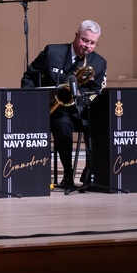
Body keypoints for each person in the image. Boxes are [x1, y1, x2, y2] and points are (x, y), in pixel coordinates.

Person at [21, 20, 107, 190]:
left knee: (102, 124)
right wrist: (32, 102)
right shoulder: (53, 52)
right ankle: (68, 174)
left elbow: (97, 91)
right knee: (62, 125)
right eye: (85, 40)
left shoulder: (99, 63)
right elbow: (29, 77)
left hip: (81, 110)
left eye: (92, 43)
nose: (87, 46)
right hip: (55, 110)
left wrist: (82, 96)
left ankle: (91, 173)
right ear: (76, 36)